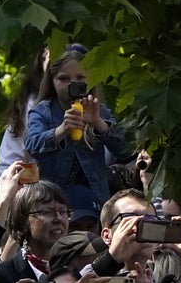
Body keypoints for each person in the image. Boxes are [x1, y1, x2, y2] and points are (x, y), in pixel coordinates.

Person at [22, 49, 125, 222]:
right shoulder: (42, 111)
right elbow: (32, 145)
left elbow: (126, 150)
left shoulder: (99, 110)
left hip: (94, 203)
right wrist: (60, 131)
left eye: (80, 78)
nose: (72, 84)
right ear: (51, 81)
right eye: (63, 78)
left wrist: (98, 123)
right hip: (50, 202)